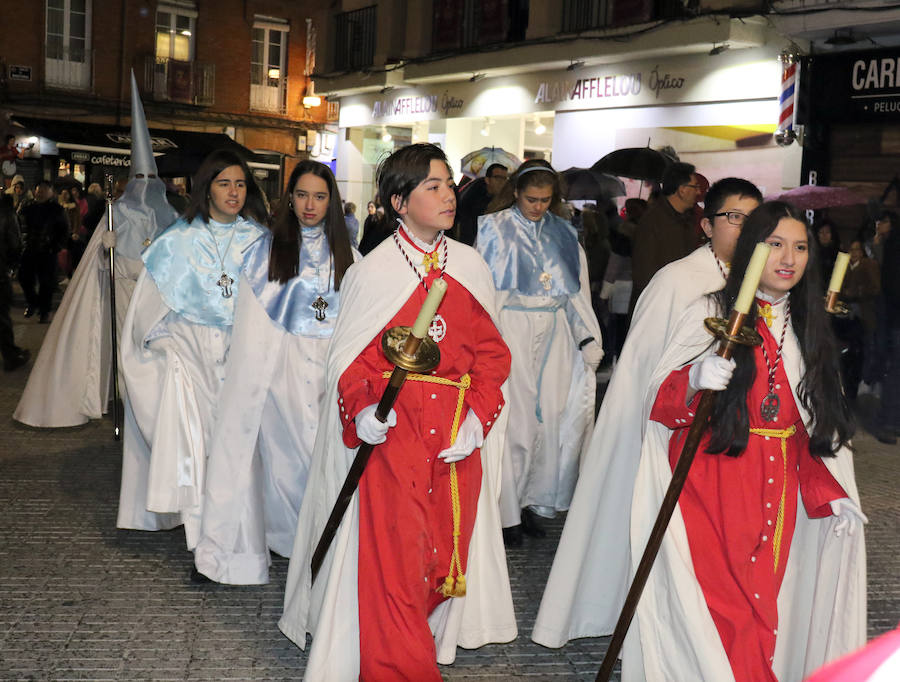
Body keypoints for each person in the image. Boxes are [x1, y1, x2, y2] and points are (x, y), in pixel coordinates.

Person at [279, 143, 516, 680]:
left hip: (454, 439)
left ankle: (420, 643)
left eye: (449, 183)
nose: (448, 194)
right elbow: (352, 362)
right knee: (396, 558)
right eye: (432, 186)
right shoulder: (375, 271)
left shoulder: (472, 267)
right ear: (398, 201)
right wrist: (362, 409)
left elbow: (493, 358)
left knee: (438, 558)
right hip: (394, 438)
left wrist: (478, 418)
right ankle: (400, 668)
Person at [622, 201, 866, 681]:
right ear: (752, 249)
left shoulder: (808, 325)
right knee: (724, 610)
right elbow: (659, 401)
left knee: (763, 606)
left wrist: (829, 492)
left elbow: (811, 426)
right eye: (775, 244)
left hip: (776, 498)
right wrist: (693, 377)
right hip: (711, 484)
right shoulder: (709, 312)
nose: (788, 258)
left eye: (799, 247)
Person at [533, 177, 763, 648]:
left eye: (753, 220)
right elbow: (643, 366)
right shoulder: (679, 280)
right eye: (734, 217)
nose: (744, 228)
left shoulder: (763, 283)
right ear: (706, 224)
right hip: (668, 432)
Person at [194, 161, 357, 584]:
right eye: (301, 195)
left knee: (322, 460)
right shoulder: (266, 250)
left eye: (319, 196)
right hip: (281, 365)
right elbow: (252, 323)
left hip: (329, 370)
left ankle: (321, 543)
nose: (309, 205)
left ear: (331, 202)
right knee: (283, 462)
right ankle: (280, 540)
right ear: (289, 198)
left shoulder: (350, 256)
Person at [116, 148, 268, 552]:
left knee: (239, 448)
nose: (233, 192)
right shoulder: (177, 242)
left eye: (240, 184)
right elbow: (145, 312)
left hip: (242, 358)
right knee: (199, 450)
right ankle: (205, 542)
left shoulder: (260, 241)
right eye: (224, 184)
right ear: (207, 189)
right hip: (192, 357)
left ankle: (243, 531)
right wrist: (165, 346)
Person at [14, 72, 178, 428]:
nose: (147, 188)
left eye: (152, 180)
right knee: (124, 348)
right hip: (123, 292)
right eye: (141, 179)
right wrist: (106, 251)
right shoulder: (117, 212)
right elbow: (98, 268)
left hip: (157, 298)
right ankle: (121, 396)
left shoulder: (172, 215)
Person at [476, 159, 603, 545]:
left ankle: (533, 503)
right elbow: (485, 293)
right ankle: (504, 513)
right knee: (514, 423)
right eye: (531, 199)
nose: (538, 207)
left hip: (555, 334)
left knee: (550, 420)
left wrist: (587, 338)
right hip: (511, 329)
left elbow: (575, 295)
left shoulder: (565, 234)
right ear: (515, 192)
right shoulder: (492, 231)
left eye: (546, 200)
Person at [629, 161, 702, 313]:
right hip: (656, 307)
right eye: (695, 187)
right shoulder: (653, 221)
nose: (698, 192)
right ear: (682, 190)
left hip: (678, 303)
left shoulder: (686, 220)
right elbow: (643, 273)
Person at [18, 181, 68, 323]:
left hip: (48, 251)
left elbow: (64, 230)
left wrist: (56, 246)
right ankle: (33, 302)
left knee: (46, 283)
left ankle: (44, 311)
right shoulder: (27, 206)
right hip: (29, 249)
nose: (40, 193)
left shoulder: (57, 209)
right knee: (24, 278)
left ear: (51, 192)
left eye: (44, 191)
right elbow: (19, 224)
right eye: (39, 190)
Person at [876, 214, 900, 444]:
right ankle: (889, 421)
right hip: (896, 317)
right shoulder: (894, 244)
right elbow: (892, 284)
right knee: (896, 371)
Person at [1, 193, 29, 371]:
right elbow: (15, 244)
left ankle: (11, 353)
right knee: (1, 315)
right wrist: (11, 267)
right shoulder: (6, 213)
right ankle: (11, 355)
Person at [454, 162, 508, 246]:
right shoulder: (474, 198)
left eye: (505, 178)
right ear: (487, 180)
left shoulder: (505, 200)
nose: (502, 182)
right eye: (498, 178)